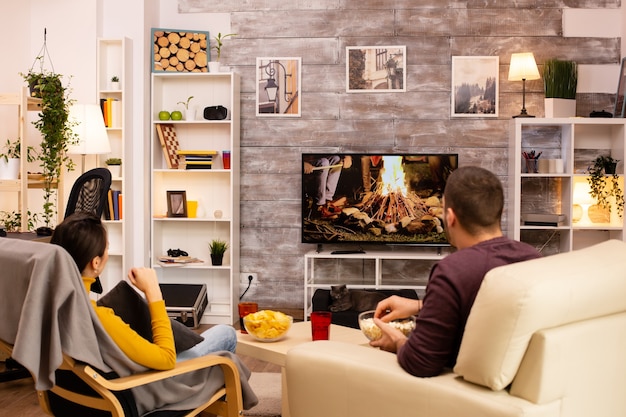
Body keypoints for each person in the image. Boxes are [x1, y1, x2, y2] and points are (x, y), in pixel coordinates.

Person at [370, 166, 541, 377]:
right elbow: (493, 306)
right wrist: (420, 306)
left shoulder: (452, 270)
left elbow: (420, 363)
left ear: (450, 217)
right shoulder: (532, 258)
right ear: (498, 212)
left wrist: (397, 340)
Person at [50, 212, 237, 370]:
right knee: (225, 333)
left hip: (85, 395)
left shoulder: (48, 308)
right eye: (106, 248)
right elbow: (166, 359)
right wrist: (153, 292)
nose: (107, 253)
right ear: (95, 263)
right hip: (143, 387)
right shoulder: (99, 318)